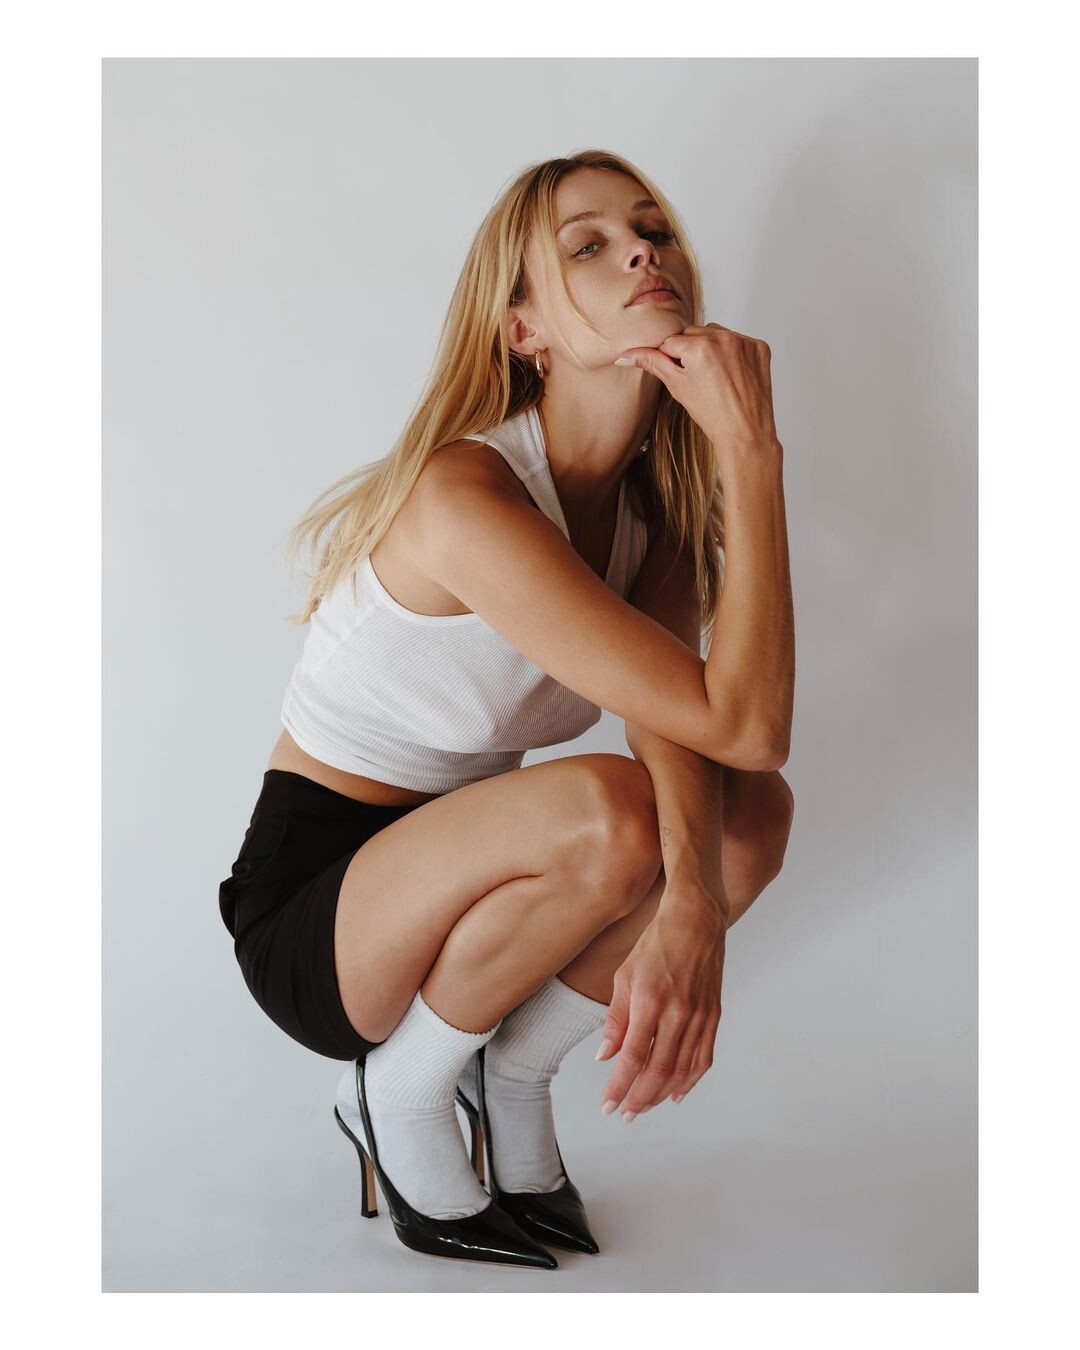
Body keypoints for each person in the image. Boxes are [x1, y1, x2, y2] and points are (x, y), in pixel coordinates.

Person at [218, 149, 796, 1269]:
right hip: (320, 909)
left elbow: (710, 730)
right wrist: (752, 447)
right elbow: (745, 719)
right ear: (523, 328)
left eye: (653, 232)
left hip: (477, 877)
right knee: (613, 810)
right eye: (589, 245)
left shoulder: (651, 514)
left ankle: (514, 1074)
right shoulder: (467, 493)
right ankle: (398, 1088)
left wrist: (698, 899)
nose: (643, 253)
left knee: (750, 817)